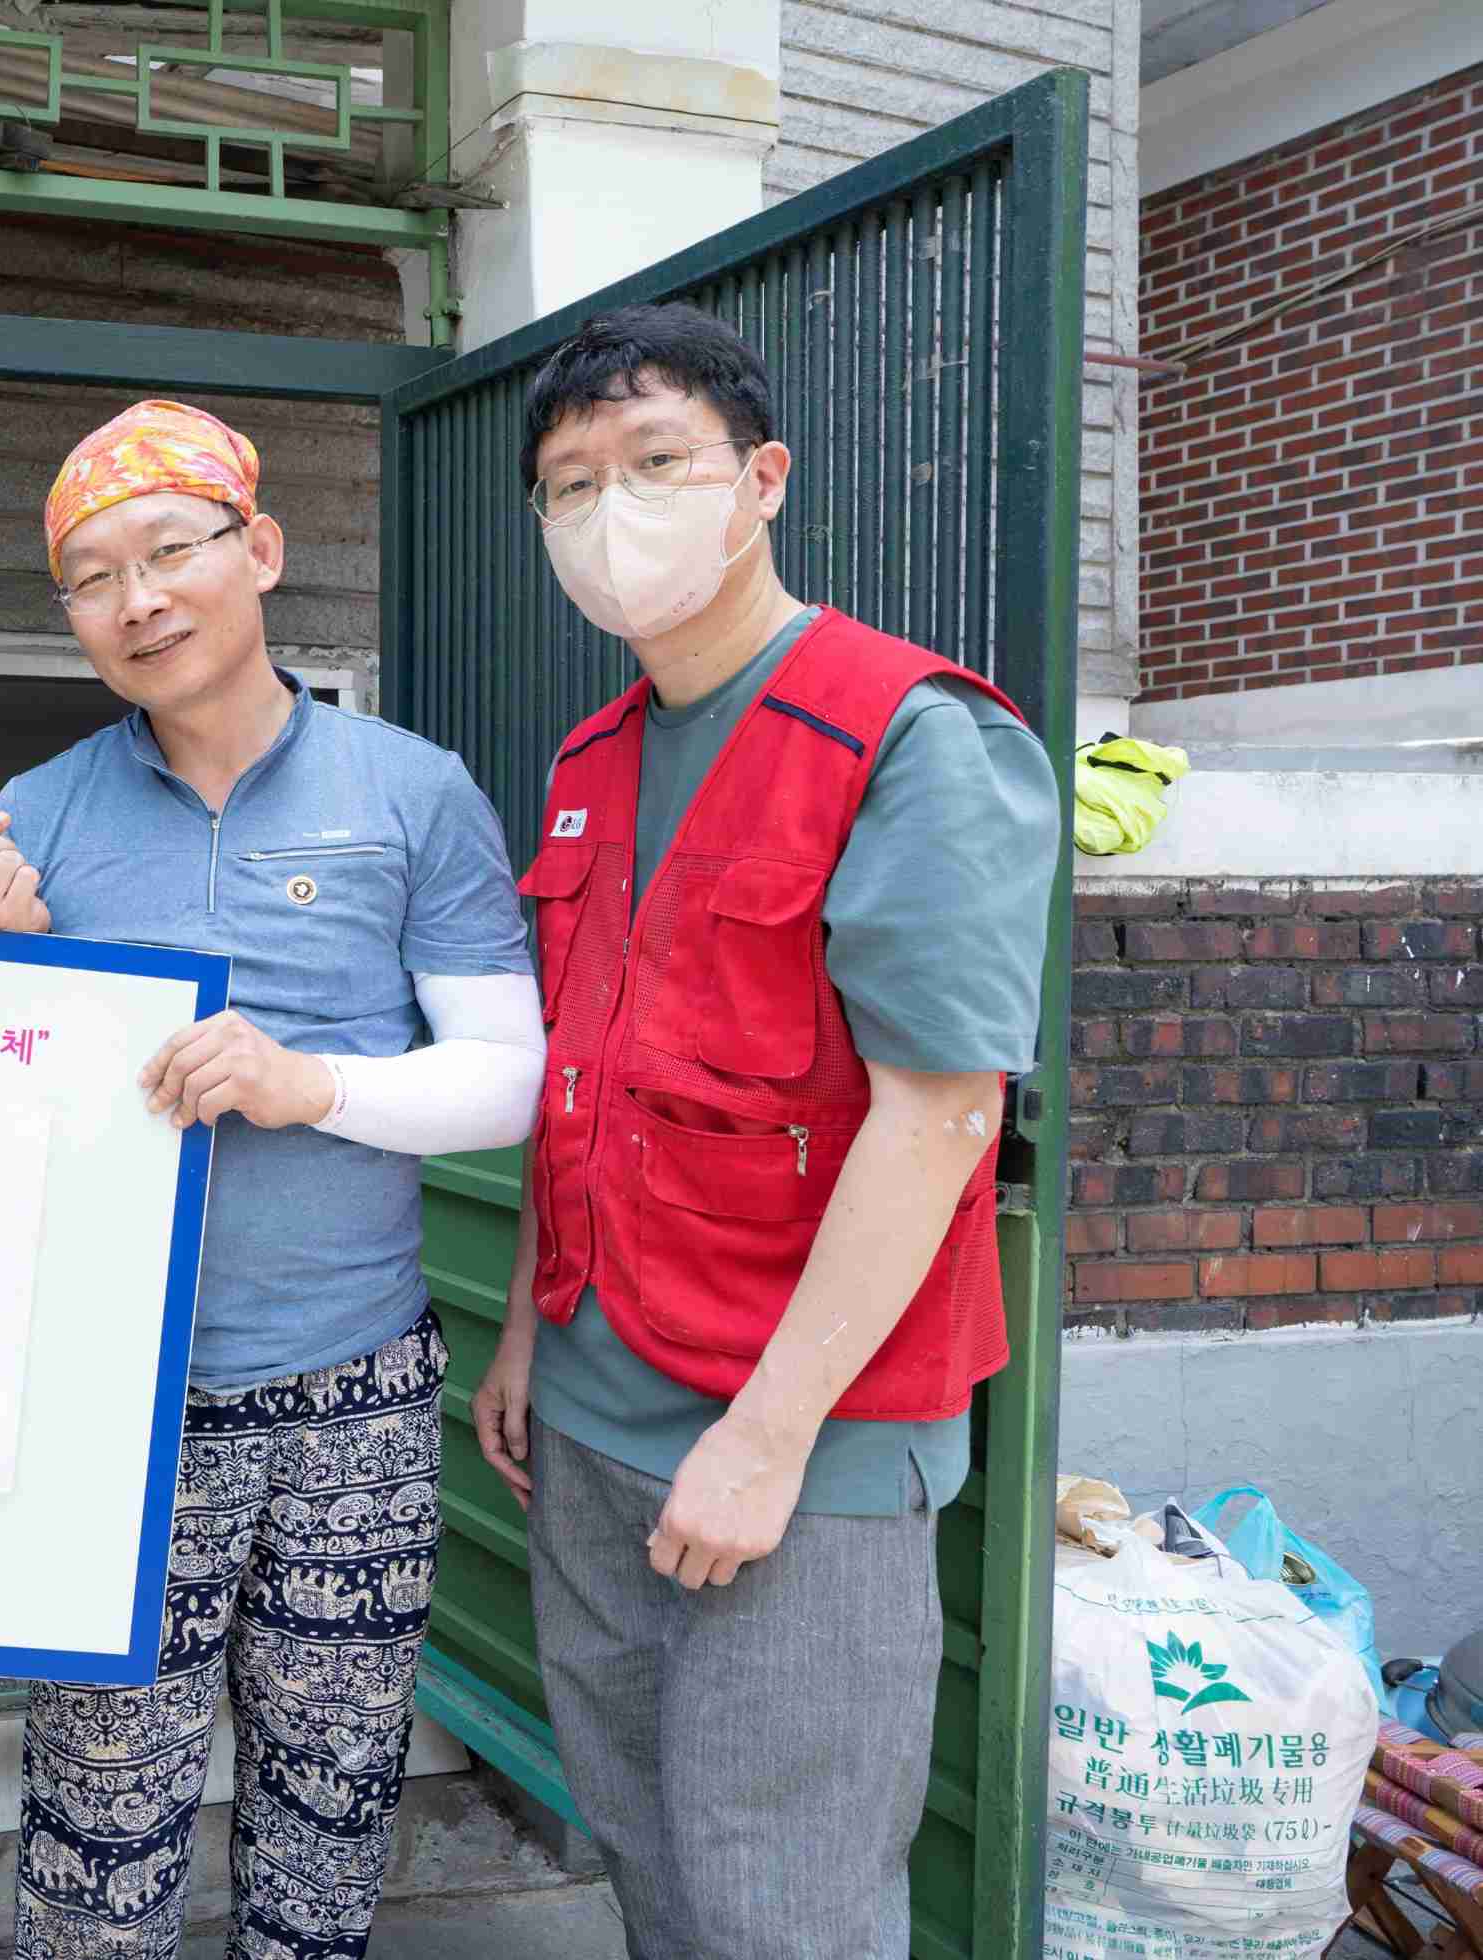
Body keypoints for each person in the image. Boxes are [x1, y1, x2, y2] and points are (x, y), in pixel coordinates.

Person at [469, 304, 1058, 1957]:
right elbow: (584, 1078)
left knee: (781, 1903)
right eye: (572, 482)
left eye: (657, 460)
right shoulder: (593, 757)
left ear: (764, 479)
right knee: (650, 1857)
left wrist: (770, 1435)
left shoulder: (911, 733)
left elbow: (941, 1112)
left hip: (800, 1441)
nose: (613, 509)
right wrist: (523, 1325)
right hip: (592, 1405)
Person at [0, 400, 546, 1957]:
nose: (136, 601)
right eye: (91, 580)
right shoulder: (35, 823)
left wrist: (309, 1083)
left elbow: (507, 1074)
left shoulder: (410, 791)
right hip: (116, 1402)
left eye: (169, 553)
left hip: (358, 1393)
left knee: (329, 1813)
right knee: (99, 1822)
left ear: (260, 550)